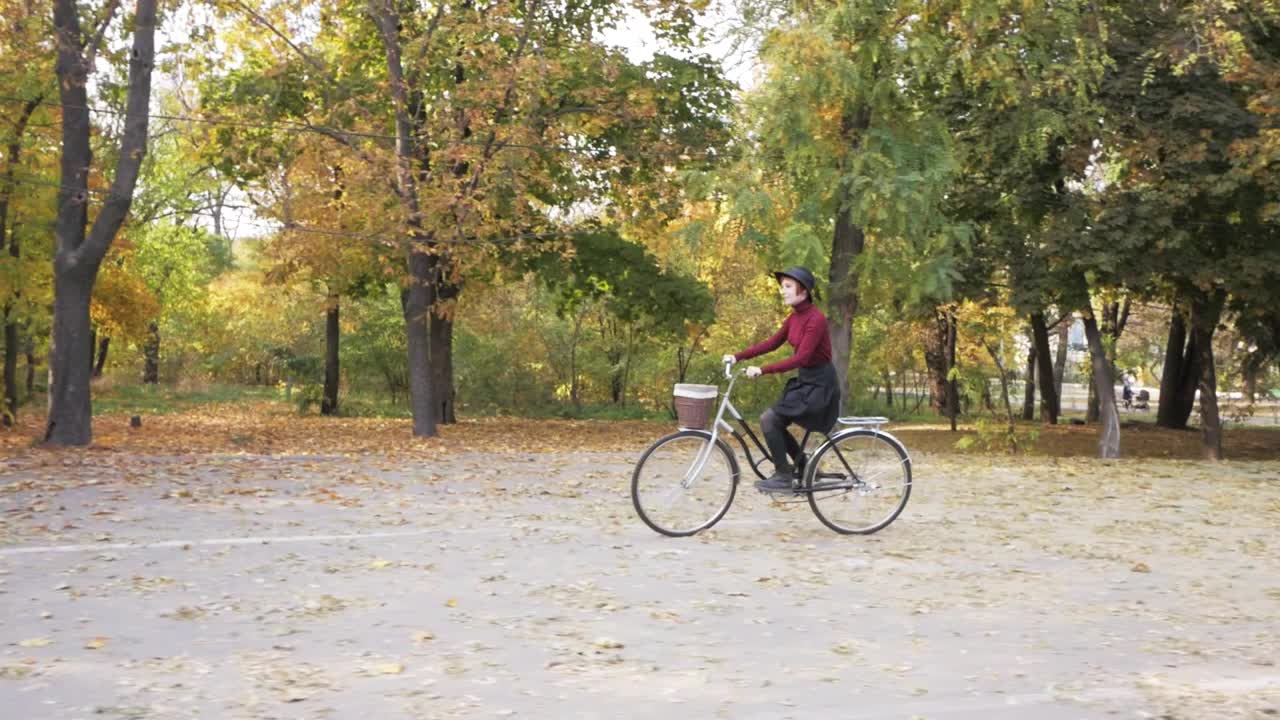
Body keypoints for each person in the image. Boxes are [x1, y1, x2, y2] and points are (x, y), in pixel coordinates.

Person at [723, 267, 841, 492]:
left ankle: (783, 476)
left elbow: (802, 357)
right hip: (806, 381)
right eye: (782, 286)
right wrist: (737, 356)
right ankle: (805, 467)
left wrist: (762, 370)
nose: (782, 291)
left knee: (769, 419)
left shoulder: (815, 319)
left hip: (820, 386)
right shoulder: (794, 318)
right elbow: (771, 343)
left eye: (788, 286)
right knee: (773, 421)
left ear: (803, 291)